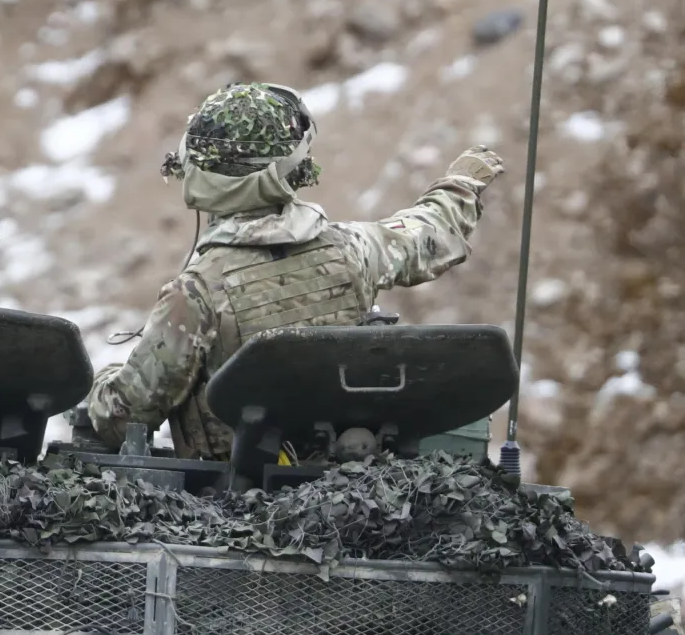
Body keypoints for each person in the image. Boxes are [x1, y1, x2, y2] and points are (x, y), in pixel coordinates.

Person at [86, 81, 505, 461]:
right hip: (337, 492)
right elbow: (428, 235)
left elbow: (124, 419)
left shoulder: (195, 295)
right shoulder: (354, 251)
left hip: (227, 503)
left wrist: (105, 380)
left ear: (197, 177)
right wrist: (461, 185)